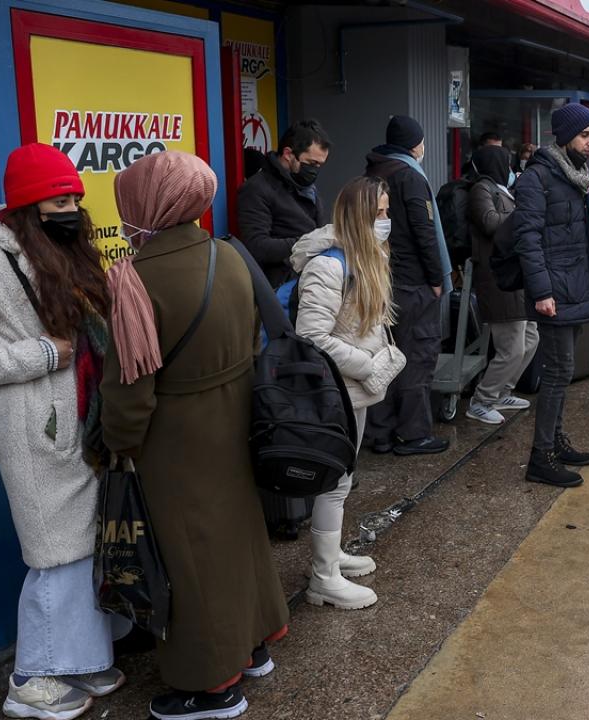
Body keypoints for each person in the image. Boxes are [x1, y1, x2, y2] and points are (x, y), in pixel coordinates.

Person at [0, 143, 123, 720]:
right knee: (53, 554)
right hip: (37, 429)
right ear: (29, 204)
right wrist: (35, 354)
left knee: (83, 549)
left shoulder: (61, 251)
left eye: (76, 198)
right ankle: (32, 681)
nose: (71, 209)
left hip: (82, 425)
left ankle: (79, 660)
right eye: (60, 198)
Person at [99, 151, 289, 719]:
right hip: (235, 419)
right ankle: (254, 644)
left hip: (176, 438)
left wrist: (118, 444)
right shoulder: (228, 254)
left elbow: (129, 388)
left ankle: (212, 686)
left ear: (148, 205)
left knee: (189, 555)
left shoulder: (136, 280)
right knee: (238, 535)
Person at [291, 176, 397, 610]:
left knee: (343, 479)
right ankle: (323, 578)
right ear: (356, 217)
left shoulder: (365, 257)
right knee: (333, 483)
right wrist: (365, 364)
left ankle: (330, 556)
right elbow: (310, 335)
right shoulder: (329, 265)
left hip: (353, 388)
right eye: (378, 214)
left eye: (388, 212)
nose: (385, 222)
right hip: (337, 388)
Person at [512, 103, 589, 488]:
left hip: (574, 284)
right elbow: (528, 238)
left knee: (564, 370)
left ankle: (555, 439)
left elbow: (580, 239)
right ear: (566, 136)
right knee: (557, 371)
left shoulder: (575, 175)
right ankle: (541, 456)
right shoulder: (538, 177)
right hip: (553, 289)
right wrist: (541, 291)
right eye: (586, 135)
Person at [365, 115, 453, 456]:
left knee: (383, 357)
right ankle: (413, 434)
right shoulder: (410, 177)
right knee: (417, 356)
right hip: (413, 282)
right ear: (414, 144)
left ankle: (381, 433)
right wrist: (436, 278)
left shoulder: (373, 172)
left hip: (381, 280)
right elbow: (425, 231)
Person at [465, 145, 538, 423]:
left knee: (531, 339)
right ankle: (482, 400)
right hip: (497, 278)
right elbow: (489, 222)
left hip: (516, 275)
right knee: (512, 347)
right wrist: (524, 214)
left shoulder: (502, 189)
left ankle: (502, 391)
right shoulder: (481, 189)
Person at [237, 120, 330, 287]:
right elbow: (256, 246)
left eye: (320, 165)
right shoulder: (256, 189)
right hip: (281, 289)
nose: (315, 171)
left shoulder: (306, 187)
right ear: (288, 154)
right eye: (311, 164)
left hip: (312, 280)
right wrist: (308, 242)